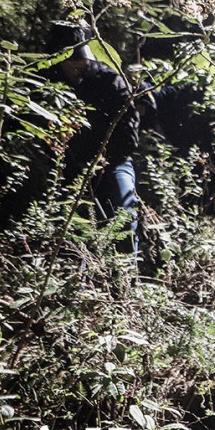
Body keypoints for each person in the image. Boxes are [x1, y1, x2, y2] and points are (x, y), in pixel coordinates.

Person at [46, 22, 139, 256]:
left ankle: (128, 273)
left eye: (80, 59)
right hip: (65, 169)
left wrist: (104, 159)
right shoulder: (48, 81)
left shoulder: (109, 80)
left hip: (112, 163)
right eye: (71, 60)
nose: (77, 65)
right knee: (68, 228)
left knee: (124, 211)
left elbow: (129, 129)